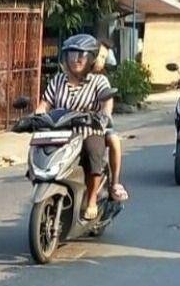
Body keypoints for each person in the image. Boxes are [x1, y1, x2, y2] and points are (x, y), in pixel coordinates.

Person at [36, 34, 114, 220]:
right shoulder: (57, 81)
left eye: (83, 55)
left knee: (94, 151)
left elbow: (106, 103)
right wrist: (35, 118)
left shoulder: (99, 81)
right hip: (61, 133)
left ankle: (93, 199)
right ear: (65, 57)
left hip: (89, 131)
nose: (77, 59)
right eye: (72, 54)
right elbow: (44, 104)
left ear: (91, 58)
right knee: (39, 148)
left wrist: (104, 117)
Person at [94, 41, 128, 202]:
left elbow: (107, 108)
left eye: (103, 57)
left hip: (95, 126)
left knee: (114, 139)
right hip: (69, 126)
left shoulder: (101, 82)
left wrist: (104, 117)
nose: (100, 60)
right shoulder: (64, 79)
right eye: (98, 55)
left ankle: (114, 183)